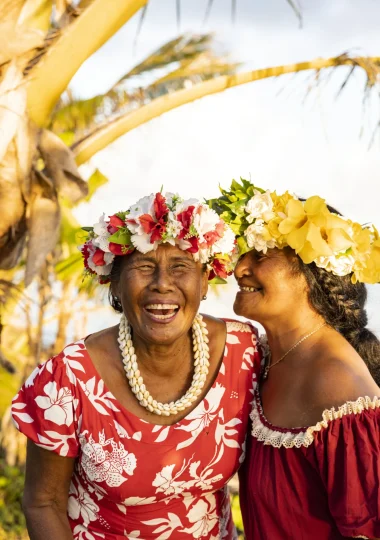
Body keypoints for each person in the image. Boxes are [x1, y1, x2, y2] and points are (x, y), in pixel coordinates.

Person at [11, 191, 262, 540]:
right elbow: (43, 502)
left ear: (205, 281)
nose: (162, 283)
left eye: (180, 267)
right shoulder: (67, 379)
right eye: (144, 267)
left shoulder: (244, 352)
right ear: (114, 283)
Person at [210, 179, 380, 540]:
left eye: (260, 254)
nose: (238, 269)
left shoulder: (338, 383)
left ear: (311, 272)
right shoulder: (263, 358)